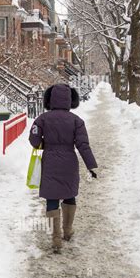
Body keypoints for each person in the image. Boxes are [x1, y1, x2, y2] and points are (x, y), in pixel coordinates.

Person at [29, 84, 97, 253]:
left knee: (51, 198)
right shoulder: (77, 121)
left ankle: (56, 238)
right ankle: (68, 230)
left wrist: (45, 143)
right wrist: (91, 165)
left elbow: (34, 141)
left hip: (50, 161)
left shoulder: (42, 119)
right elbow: (83, 145)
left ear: (50, 99)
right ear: (70, 100)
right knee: (69, 195)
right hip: (69, 162)